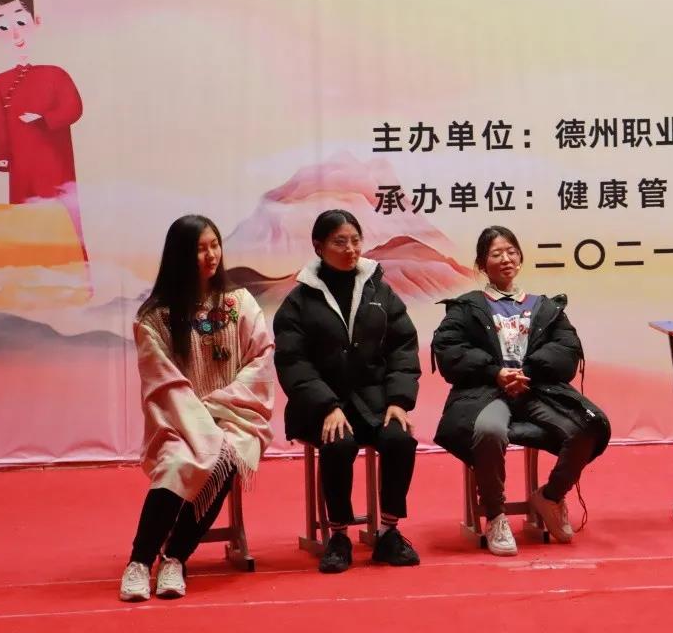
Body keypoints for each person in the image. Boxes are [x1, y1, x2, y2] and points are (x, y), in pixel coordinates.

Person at [120, 215, 275, 601]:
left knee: (226, 455)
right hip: (180, 420)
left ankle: (175, 556)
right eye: (200, 249)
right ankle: (139, 561)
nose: (211, 255)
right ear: (179, 256)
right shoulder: (155, 318)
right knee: (177, 461)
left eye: (214, 245)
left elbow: (260, 359)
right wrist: (198, 419)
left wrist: (220, 404)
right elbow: (163, 383)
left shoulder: (239, 303)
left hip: (236, 414)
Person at [432, 225, 610, 556]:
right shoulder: (467, 307)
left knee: (588, 426)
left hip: (537, 390)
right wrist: (495, 372)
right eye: (496, 254)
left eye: (511, 252)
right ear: (482, 264)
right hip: (487, 392)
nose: (506, 259)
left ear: (520, 258)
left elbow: (567, 348)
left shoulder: (545, 307)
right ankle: (495, 515)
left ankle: (551, 497)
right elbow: (448, 348)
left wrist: (528, 371)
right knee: (488, 430)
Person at [274, 209, 421, 572]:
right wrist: (326, 405)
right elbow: (293, 362)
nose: (351, 249)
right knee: (338, 443)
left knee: (400, 439)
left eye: (356, 241)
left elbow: (403, 346)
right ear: (319, 246)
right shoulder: (299, 301)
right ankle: (338, 535)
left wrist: (399, 401)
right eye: (340, 242)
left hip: (375, 401)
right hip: (321, 406)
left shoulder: (379, 290)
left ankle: (388, 532)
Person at [0, 0, 86, 256]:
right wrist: (0, 155)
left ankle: (72, 270)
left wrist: (44, 119)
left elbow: (73, 107)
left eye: (21, 22)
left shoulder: (55, 74)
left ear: (36, 21)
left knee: (61, 214)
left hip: (55, 161)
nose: (15, 34)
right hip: (20, 164)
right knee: (24, 217)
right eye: (4, 26)